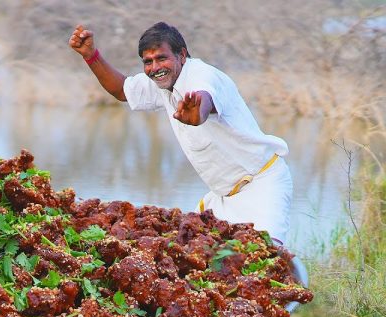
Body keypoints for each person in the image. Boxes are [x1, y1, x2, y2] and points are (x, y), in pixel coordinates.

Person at [69, 22, 293, 244]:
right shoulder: (162, 82)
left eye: (161, 58)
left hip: (261, 185)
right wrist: (91, 55)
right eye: (148, 62)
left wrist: (197, 115)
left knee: (269, 256)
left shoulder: (201, 75)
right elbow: (121, 90)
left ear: (182, 55)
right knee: (188, 253)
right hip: (222, 198)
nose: (155, 67)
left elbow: (204, 99)